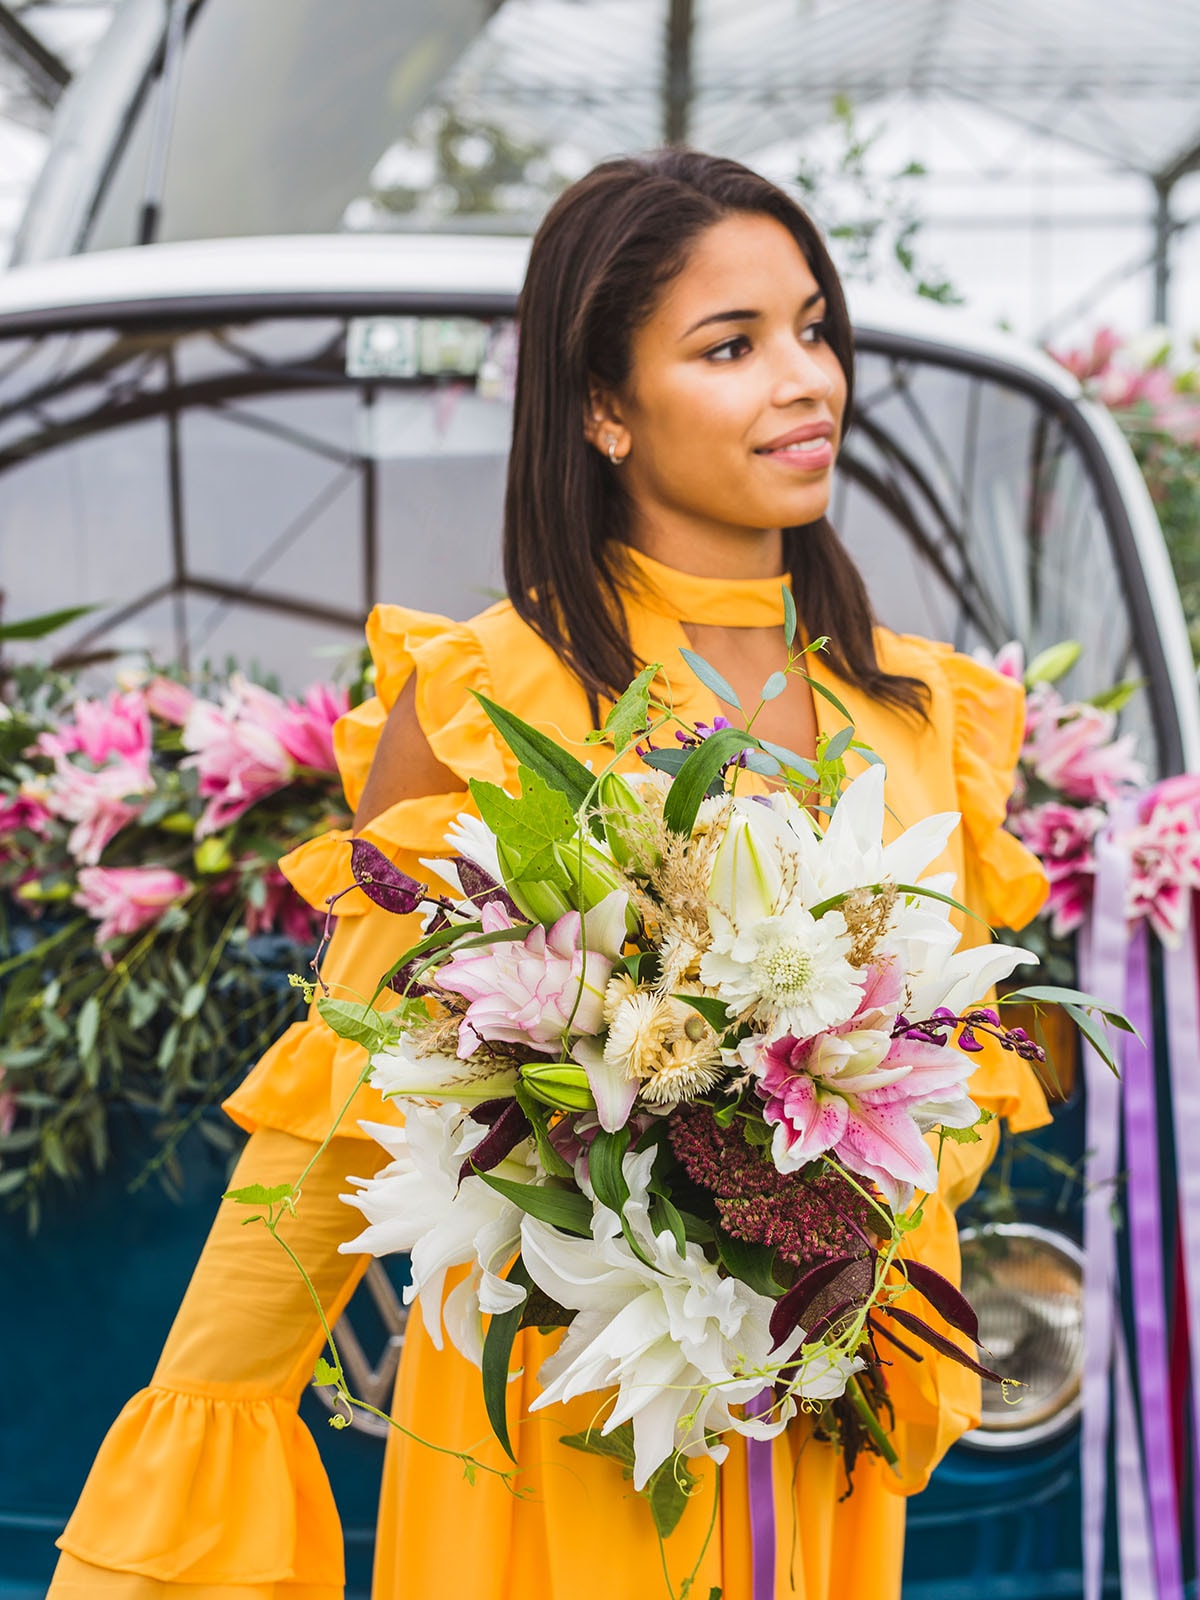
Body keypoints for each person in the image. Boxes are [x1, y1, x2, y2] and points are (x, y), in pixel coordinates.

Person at [48, 149, 1050, 1600]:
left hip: (824, 1420)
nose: (808, 380)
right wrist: (216, 1417)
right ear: (602, 407)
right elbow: (348, 1095)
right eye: (733, 345)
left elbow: (955, 1101)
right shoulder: (487, 694)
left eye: (817, 329)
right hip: (562, 1399)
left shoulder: (932, 716)